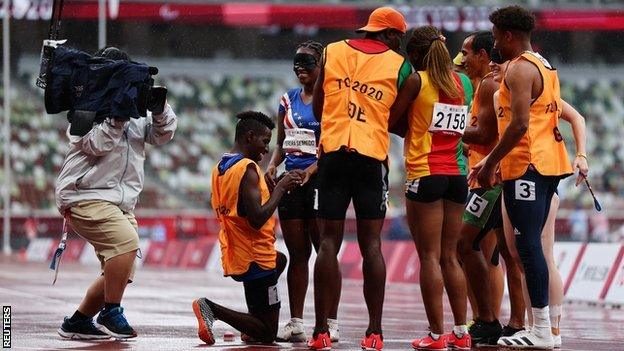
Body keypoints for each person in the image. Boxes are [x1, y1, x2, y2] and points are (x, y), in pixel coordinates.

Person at [55, 47, 177, 340]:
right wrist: (117, 116)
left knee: (123, 267)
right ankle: (111, 311)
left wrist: (159, 109)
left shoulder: (133, 110)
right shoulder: (83, 111)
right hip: (84, 194)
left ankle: (78, 321)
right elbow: (95, 145)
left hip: (120, 202)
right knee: (125, 243)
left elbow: (163, 135)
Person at [309, 6, 411, 350]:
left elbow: (318, 106)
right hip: (371, 158)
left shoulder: (332, 51)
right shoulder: (402, 67)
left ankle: (320, 332)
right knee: (372, 246)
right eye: (399, 37)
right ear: (390, 34)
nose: (401, 43)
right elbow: (395, 121)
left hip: (334, 154)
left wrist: (338, 122)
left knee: (327, 243)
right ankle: (374, 333)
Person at [474, 6, 573, 348]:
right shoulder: (543, 64)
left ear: (509, 35)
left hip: (526, 164)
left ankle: (542, 330)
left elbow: (518, 125)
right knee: (527, 248)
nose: (496, 42)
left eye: (498, 36)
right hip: (546, 164)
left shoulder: (518, 70)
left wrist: (489, 163)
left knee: (528, 247)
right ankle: (544, 328)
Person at [389, 25, 472, 351]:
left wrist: (411, 121)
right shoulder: (464, 82)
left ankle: (436, 335)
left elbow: (391, 121)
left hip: (424, 173)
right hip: (457, 175)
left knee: (429, 258)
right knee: (451, 257)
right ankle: (461, 333)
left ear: (414, 55)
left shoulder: (416, 81)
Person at [193, 111, 304, 345]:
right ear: (250, 136)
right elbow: (256, 218)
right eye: (264, 142)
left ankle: (249, 324)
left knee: (280, 260)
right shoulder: (248, 168)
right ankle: (211, 308)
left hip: (236, 249)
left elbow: (240, 208)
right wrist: (281, 189)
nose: (266, 150)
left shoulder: (220, 167)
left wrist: (270, 187)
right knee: (266, 334)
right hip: (255, 255)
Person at [265, 40, 341, 343]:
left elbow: (333, 143)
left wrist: (312, 171)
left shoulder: (331, 100)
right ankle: (296, 321)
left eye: (307, 63)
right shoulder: (287, 100)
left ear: (321, 66)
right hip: (292, 182)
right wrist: (272, 165)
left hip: (321, 180)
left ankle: (330, 322)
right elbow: (282, 144)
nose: (300, 69)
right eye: (296, 63)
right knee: (298, 254)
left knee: (325, 252)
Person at [457, 31, 508, 346]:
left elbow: (485, 132)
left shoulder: (489, 84)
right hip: (485, 176)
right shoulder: (483, 86)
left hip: (488, 180)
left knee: (465, 246)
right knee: (491, 255)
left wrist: (453, 127)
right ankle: (489, 319)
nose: (462, 58)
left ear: (483, 55)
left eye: (466, 52)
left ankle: (489, 320)